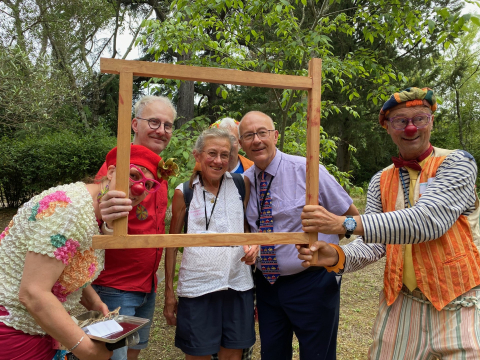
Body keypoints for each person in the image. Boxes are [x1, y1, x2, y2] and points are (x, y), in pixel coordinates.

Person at [297, 87, 480, 359]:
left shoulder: (457, 163)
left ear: (432, 121)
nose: (410, 128)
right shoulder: (380, 180)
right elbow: (375, 245)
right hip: (401, 302)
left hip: (458, 301)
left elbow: (428, 222)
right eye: (400, 121)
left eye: (419, 118)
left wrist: (345, 223)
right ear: (388, 128)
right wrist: (337, 255)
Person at [0, 144, 163, 360]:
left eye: (148, 184)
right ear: (111, 173)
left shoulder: (95, 213)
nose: (140, 189)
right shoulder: (72, 209)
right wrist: (86, 350)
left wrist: (93, 300)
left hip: (41, 327)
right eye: (134, 176)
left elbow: (63, 264)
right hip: (15, 331)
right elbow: (33, 292)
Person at [238, 111, 359, 360]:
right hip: (267, 284)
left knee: (317, 355)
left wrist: (332, 232)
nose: (257, 140)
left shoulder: (308, 170)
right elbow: (252, 229)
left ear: (275, 135)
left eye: (262, 132)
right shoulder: (245, 182)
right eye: (249, 135)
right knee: (272, 354)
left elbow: (353, 218)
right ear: (241, 144)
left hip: (312, 282)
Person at [92, 95, 176, 360]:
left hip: (146, 287)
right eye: (154, 122)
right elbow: (95, 219)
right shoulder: (117, 170)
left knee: (132, 353)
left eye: (168, 125)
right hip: (113, 287)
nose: (161, 130)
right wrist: (106, 222)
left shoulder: (158, 173)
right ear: (134, 124)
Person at [164, 128, 258, 360]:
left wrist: (253, 245)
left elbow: (246, 229)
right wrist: (168, 293)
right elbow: (171, 246)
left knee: (233, 353)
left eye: (224, 155)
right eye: (212, 153)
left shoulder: (241, 185)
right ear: (197, 155)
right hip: (198, 287)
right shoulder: (183, 192)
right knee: (198, 354)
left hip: (238, 284)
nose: (218, 161)